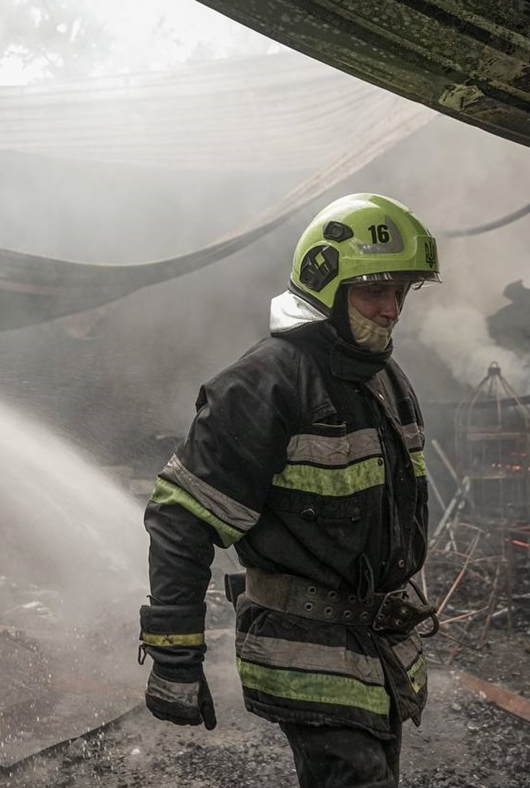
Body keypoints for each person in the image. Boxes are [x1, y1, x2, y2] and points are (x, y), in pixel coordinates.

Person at [139, 193, 442, 787]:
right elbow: (182, 518)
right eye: (374, 290)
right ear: (325, 286)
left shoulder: (383, 379)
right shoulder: (265, 383)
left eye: (401, 292)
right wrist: (175, 654)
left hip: (378, 650)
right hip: (307, 651)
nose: (391, 309)